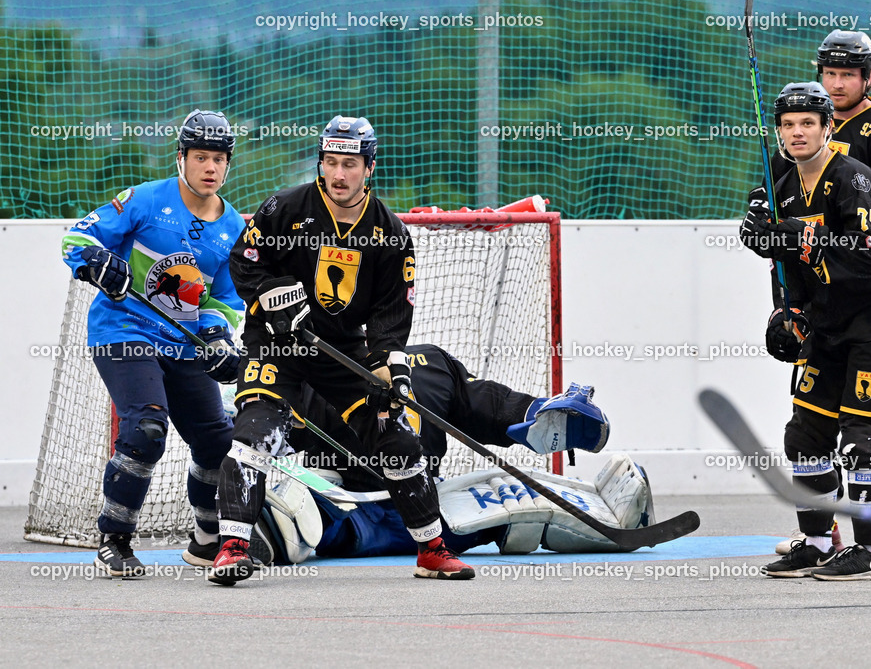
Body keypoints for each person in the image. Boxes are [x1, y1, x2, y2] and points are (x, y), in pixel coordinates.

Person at [210, 116, 473, 584]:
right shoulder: (286, 208)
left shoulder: (390, 233)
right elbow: (243, 262)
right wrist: (271, 296)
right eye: (330, 162)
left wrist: (394, 371)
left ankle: (432, 550)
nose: (338, 174)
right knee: (255, 436)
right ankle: (232, 548)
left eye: (349, 164)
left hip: (340, 352)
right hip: (277, 346)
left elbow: (392, 317)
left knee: (397, 439)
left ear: (369, 167)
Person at [756, 30, 871, 554]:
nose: (835, 84)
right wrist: (787, 303)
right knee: (813, 427)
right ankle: (823, 529)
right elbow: (787, 234)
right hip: (823, 296)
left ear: (867, 77)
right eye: (828, 74)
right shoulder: (799, 130)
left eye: (847, 75)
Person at [61, 110, 245, 577]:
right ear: (181, 157)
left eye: (219, 159)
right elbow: (76, 238)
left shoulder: (233, 229)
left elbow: (225, 297)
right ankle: (114, 539)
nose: (210, 167)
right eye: (201, 156)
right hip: (124, 331)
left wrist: (217, 333)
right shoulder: (145, 199)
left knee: (218, 441)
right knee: (146, 429)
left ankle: (207, 538)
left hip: (181, 345)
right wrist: (97, 263)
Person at [239, 343, 625, 564]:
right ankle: (269, 524)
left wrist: (535, 414)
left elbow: (484, 403)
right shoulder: (427, 362)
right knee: (307, 508)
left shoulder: (429, 364)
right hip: (370, 509)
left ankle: (612, 516)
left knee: (515, 495)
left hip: (421, 508)